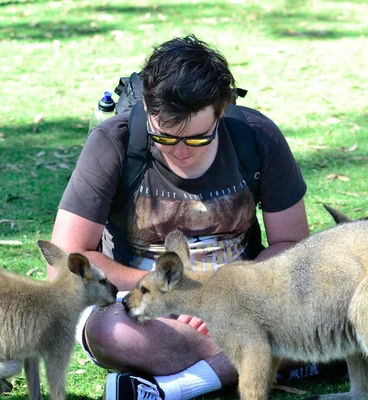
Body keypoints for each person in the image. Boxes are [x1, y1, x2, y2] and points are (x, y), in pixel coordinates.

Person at [49, 35, 335, 400]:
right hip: (144, 306)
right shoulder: (114, 143)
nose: (181, 152)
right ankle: (287, 356)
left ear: (222, 109)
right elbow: (66, 262)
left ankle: (178, 386)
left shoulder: (257, 136)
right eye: (165, 138)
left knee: (326, 297)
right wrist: (170, 297)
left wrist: (222, 301)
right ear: (149, 110)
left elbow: (291, 245)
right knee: (113, 332)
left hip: (245, 300)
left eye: (198, 139)